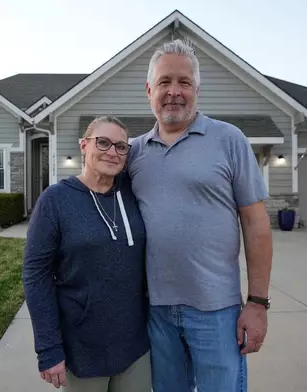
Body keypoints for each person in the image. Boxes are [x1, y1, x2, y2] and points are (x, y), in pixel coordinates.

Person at [127, 39, 273, 392]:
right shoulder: (132, 153)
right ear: (149, 90)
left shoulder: (229, 140)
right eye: (165, 82)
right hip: (156, 311)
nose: (174, 92)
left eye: (184, 82)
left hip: (217, 312)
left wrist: (257, 304)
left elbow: (256, 224)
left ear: (197, 90)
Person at [22, 116, 152, 391]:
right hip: (82, 348)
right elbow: (36, 276)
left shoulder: (133, 194)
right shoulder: (55, 200)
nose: (112, 152)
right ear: (84, 145)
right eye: (103, 142)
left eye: (120, 146)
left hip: (136, 345)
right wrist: (48, 348)